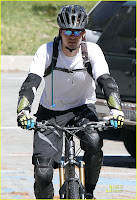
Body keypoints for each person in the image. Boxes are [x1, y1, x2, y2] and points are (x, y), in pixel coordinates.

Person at [17, 5, 124, 199]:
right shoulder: (47, 51)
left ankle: (89, 192)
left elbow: (106, 82)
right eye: (67, 31)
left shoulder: (92, 51)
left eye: (77, 32)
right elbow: (31, 83)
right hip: (50, 112)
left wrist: (116, 110)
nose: (72, 36)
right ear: (60, 32)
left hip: (83, 110)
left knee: (93, 142)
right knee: (43, 172)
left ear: (83, 33)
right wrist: (23, 111)